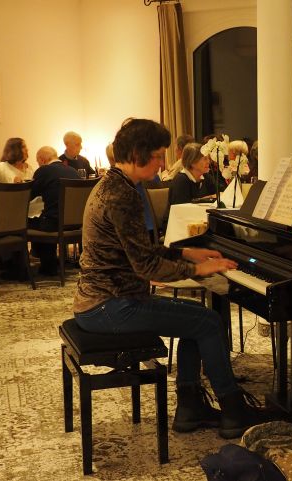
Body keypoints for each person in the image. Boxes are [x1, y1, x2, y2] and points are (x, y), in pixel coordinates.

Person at [73, 118, 264, 438]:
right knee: (209, 322)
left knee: (196, 322)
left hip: (104, 300)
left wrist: (187, 255)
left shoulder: (115, 184)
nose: (163, 162)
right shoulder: (122, 195)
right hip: (110, 306)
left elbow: (139, 247)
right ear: (138, 153)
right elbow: (146, 266)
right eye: (159, 155)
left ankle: (190, 408)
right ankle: (232, 410)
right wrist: (197, 270)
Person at [29, 146, 81, 276]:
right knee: (46, 216)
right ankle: (48, 261)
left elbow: (28, 195)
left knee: (23, 223)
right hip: (75, 224)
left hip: (53, 225)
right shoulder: (73, 171)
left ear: (42, 159)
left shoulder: (44, 170)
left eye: (37, 162)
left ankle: (43, 265)